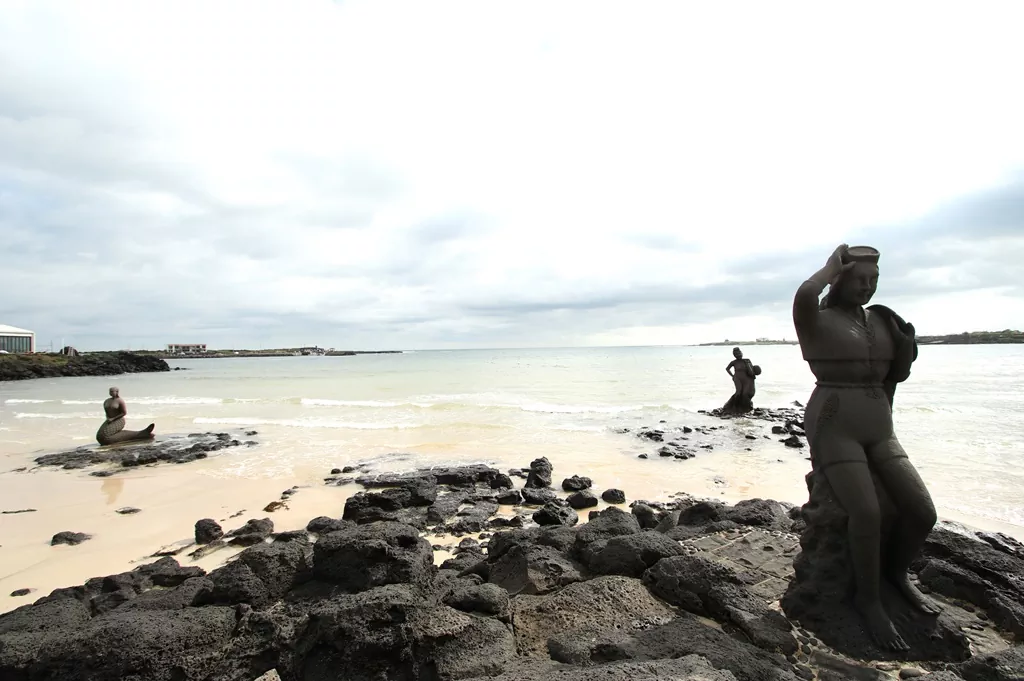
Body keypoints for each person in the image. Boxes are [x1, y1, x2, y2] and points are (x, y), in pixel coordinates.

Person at [792, 243, 937, 652]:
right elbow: (804, 295)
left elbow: (897, 376)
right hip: (835, 424)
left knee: (923, 511)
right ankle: (868, 600)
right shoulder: (818, 320)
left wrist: (907, 347)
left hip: (880, 427)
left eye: (873, 280)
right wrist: (826, 269)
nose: (867, 287)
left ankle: (897, 574)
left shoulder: (883, 321)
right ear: (840, 279)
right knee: (867, 512)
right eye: (859, 279)